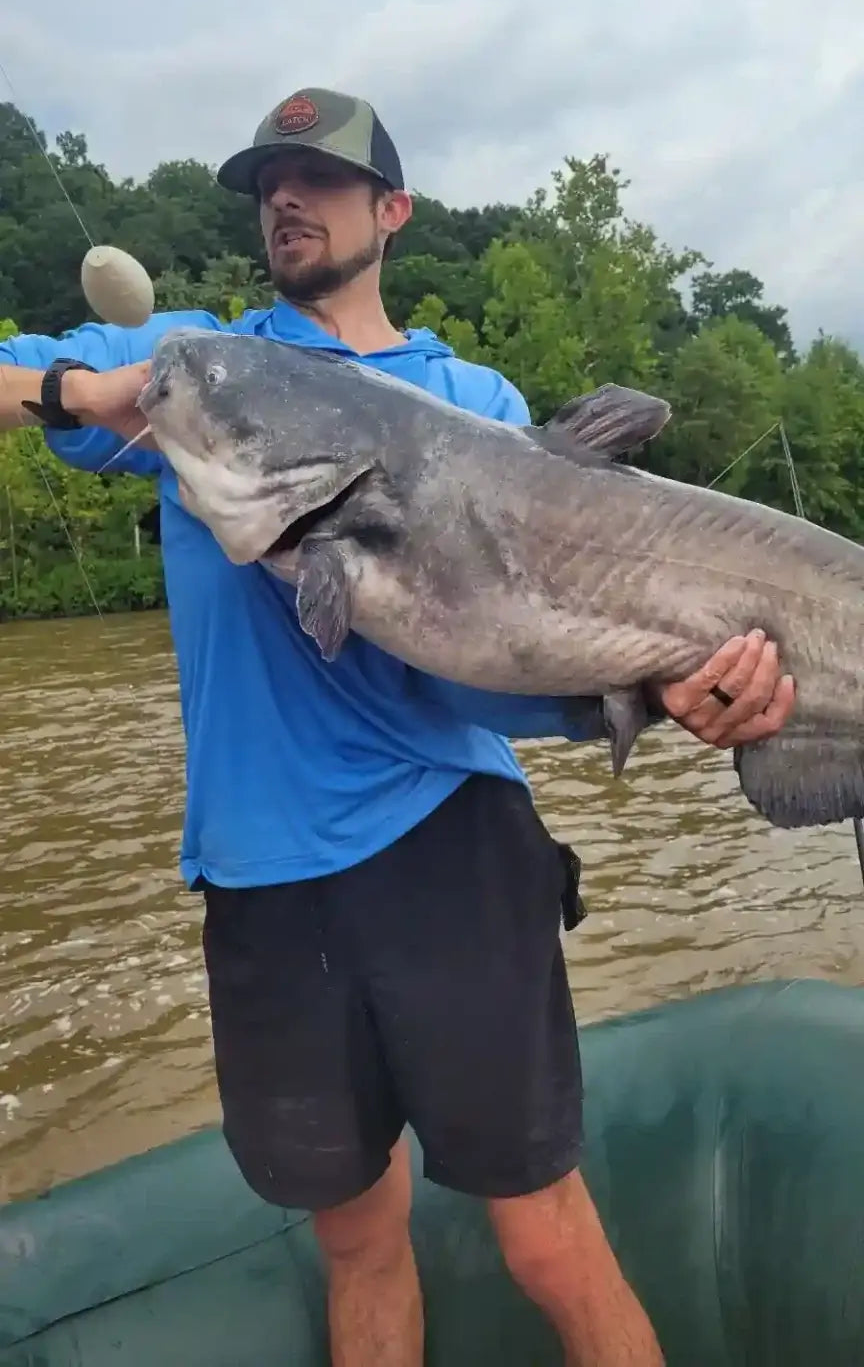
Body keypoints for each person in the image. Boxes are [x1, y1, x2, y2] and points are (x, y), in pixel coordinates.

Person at [0, 87, 795, 1366]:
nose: (286, 200)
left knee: (544, 1235)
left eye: (316, 179)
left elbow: (529, 664)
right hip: (259, 880)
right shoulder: (201, 367)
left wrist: (678, 695)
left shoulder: (469, 395)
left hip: (448, 856)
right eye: (269, 182)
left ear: (394, 210)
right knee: (359, 1245)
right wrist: (85, 389)